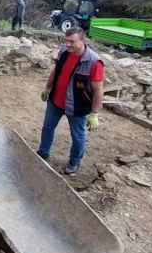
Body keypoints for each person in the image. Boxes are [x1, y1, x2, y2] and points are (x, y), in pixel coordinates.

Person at [37, 27, 104, 176]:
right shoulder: (64, 52)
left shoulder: (94, 62)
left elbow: (98, 90)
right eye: (66, 41)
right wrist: (48, 87)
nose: (68, 44)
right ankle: (43, 151)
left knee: (77, 136)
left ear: (83, 40)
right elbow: (56, 70)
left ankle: (74, 162)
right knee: (47, 127)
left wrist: (94, 113)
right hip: (56, 100)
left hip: (77, 106)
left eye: (72, 41)